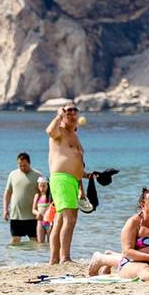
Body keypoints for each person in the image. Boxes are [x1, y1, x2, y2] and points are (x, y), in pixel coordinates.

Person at [46, 102, 86, 264]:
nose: (71, 113)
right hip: (61, 178)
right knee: (69, 219)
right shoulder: (59, 132)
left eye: (74, 110)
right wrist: (58, 115)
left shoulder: (75, 136)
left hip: (72, 181)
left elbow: (79, 164)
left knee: (61, 220)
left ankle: (54, 259)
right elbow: (49, 131)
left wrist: (83, 185)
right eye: (67, 111)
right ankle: (65, 257)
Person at [4, 152, 43, 244]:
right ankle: (14, 258)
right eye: (20, 165)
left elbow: (43, 194)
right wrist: (5, 209)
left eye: (24, 165)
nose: (22, 167)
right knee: (15, 241)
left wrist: (41, 211)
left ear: (29, 163)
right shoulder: (12, 174)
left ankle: (38, 258)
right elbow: (8, 192)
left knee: (35, 241)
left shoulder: (38, 175)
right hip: (16, 215)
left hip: (32, 216)